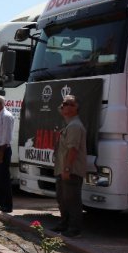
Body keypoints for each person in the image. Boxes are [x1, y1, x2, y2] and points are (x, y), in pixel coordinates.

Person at [53, 95, 87, 238]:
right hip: (62, 169)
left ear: (76, 108)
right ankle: (64, 223)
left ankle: (74, 229)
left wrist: (67, 168)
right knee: (62, 198)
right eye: (63, 103)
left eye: (68, 104)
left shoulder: (75, 126)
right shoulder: (68, 124)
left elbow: (73, 149)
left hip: (70, 170)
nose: (64, 106)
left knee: (72, 199)